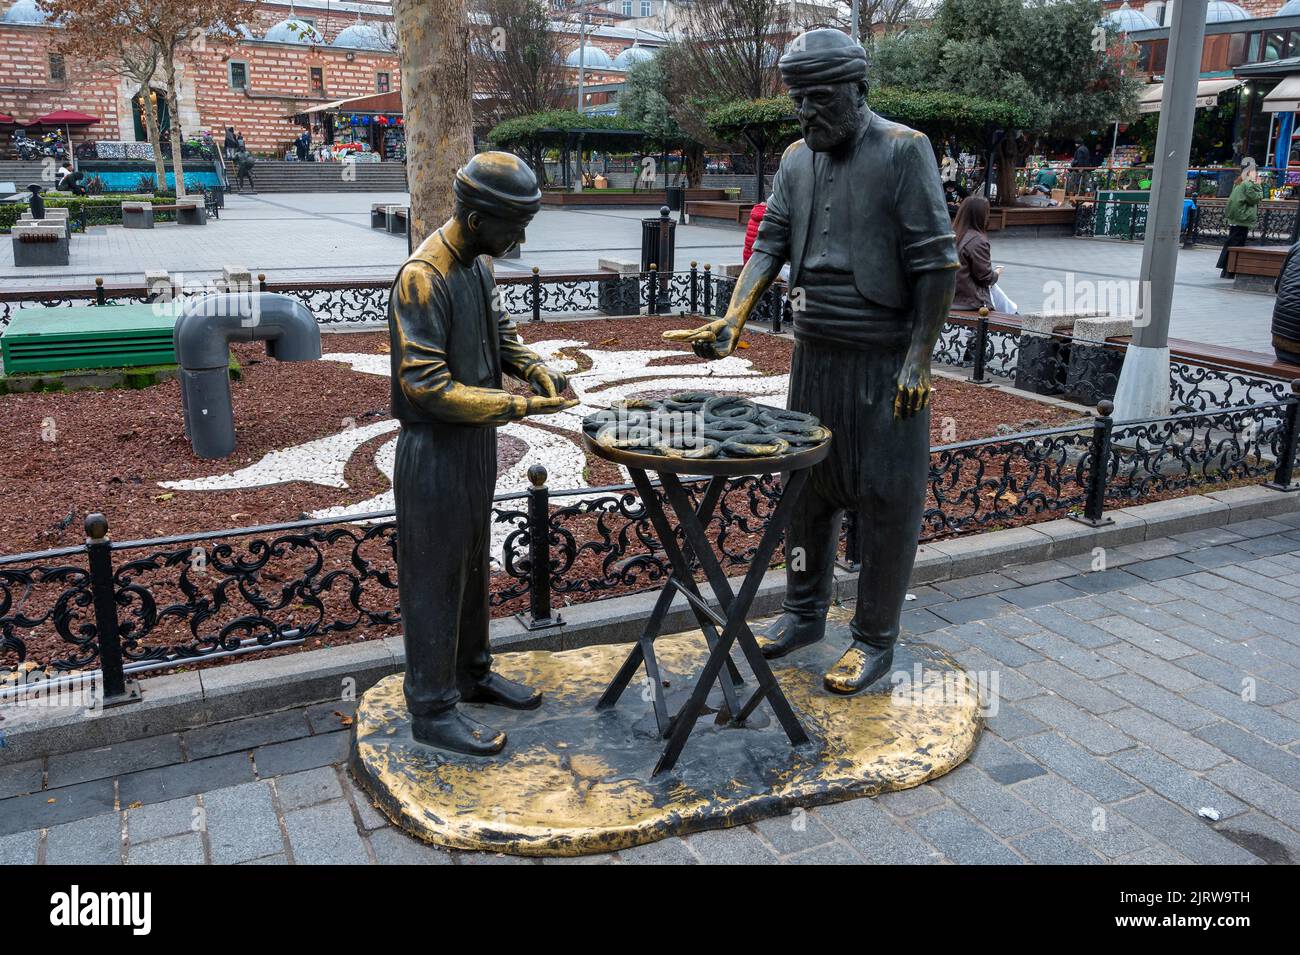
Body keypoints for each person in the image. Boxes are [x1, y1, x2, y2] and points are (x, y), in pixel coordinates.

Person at [664, 28, 958, 695]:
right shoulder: (796, 159)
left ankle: (875, 637)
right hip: (815, 355)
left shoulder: (905, 151)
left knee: (886, 500)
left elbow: (937, 264)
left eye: (819, 99)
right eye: (798, 100)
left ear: (857, 91)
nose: (805, 114)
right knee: (807, 495)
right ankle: (802, 612)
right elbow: (768, 245)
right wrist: (733, 320)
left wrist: (919, 357)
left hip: (884, 362)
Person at [388, 151, 576, 754]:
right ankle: (432, 707)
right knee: (435, 576)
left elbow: (501, 337)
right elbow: (426, 387)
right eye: (514, 226)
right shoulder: (425, 276)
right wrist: (520, 408)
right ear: (476, 221)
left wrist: (532, 365)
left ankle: (470, 673)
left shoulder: (479, 269)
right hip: (434, 451)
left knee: (471, 565)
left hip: (475, 444)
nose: (519, 238)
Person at [952, 196, 1002, 311]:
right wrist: (997, 273)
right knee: (1010, 312)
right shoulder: (977, 240)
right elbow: (985, 277)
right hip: (970, 301)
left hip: (950, 296)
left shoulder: (953, 233)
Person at [1218, 161, 1263, 277]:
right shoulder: (1248, 183)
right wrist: (1259, 185)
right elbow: (1255, 199)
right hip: (1242, 218)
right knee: (1237, 245)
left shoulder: (1239, 181)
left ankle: (1225, 270)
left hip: (1234, 217)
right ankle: (1230, 271)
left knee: (1231, 243)